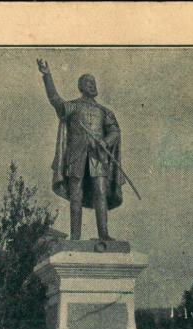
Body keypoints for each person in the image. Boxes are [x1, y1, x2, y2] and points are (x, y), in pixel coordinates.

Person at [37, 58, 124, 241]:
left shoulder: (104, 111)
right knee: (76, 195)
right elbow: (55, 100)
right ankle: (75, 238)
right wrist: (47, 76)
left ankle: (104, 234)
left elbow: (115, 131)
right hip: (76, 156)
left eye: (94, 82)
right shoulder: (74, 106)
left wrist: (105, 142)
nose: (92, 85)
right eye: (88, 82)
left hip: (98, 157)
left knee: (101, 193)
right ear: (81, 87)